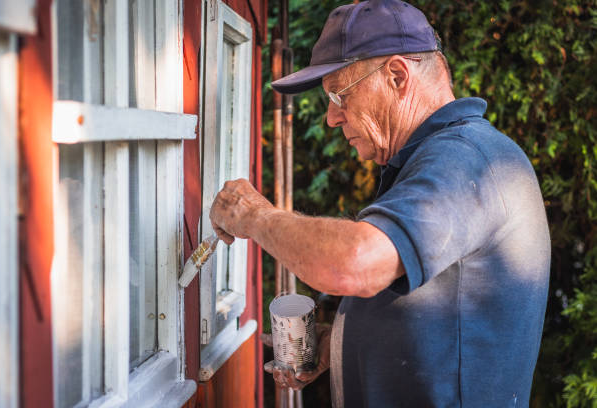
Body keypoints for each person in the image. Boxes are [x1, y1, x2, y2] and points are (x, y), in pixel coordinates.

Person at [209, 0, 551, 406]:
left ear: (396, 76)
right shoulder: (438, 156)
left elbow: (356, 263)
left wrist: (253, 215)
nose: (332, 119)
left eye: (339, 96)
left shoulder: (464, 158)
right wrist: (343, 341)